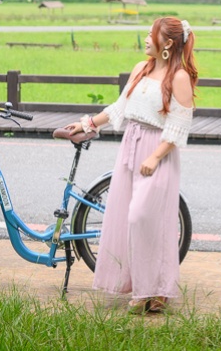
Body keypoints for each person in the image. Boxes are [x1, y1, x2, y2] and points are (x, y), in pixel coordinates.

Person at [63, 16, 197, 314]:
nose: (146, 38)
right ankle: (142, 289)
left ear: (168, 44)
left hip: (157, 153)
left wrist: (154, 157)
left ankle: (157, 287)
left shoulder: (179, 77)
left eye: (152, 34)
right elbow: (119, 108)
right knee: (127, 220)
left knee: (144, 218)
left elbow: (178, 126)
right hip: (130, 146)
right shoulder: (141, 69)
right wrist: (87, 123)